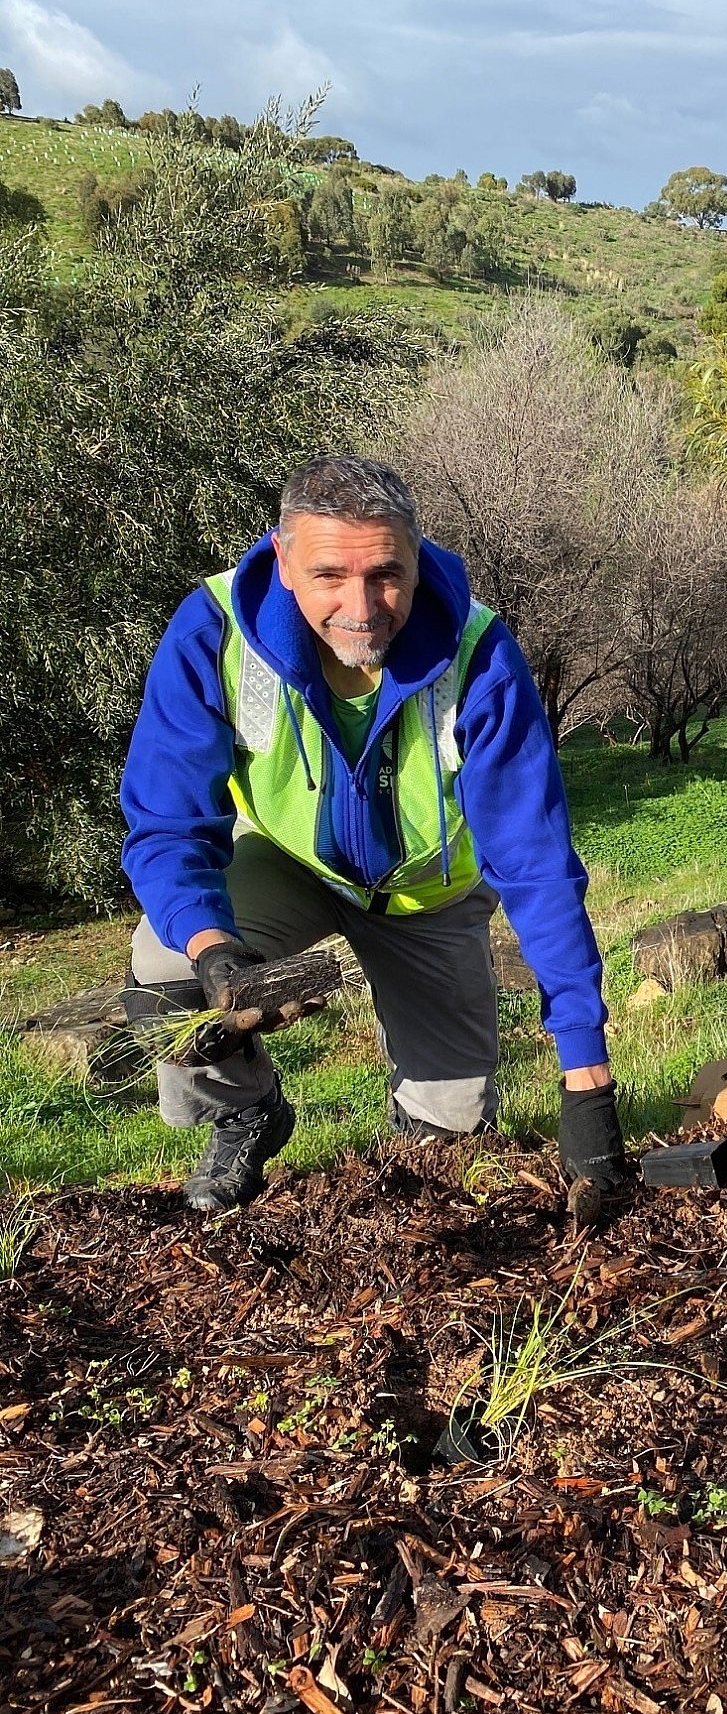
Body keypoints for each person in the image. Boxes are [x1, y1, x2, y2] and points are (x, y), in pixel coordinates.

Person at [119, 456, 627, 1214]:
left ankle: (418, 1130)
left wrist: (586, 1075)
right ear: (283, 560)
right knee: (165, 965)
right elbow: (166, 825)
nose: (361, 607)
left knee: (449, 1137)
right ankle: (247, 1111)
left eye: (386, 574)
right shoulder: (215, 631)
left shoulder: (478, 653)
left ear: (417, 561)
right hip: (291, 866)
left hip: (430, 897)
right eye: (329, 575)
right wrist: (213, 948)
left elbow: (536, 861)